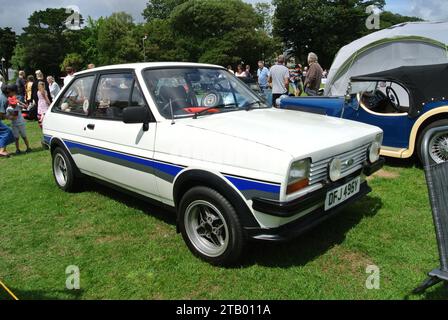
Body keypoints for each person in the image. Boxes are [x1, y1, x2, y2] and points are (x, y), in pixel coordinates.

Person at [5, 84, 31, 154]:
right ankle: (17, 149)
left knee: (24, 136)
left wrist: (19, 102)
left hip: (21, 123)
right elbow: (8, 117)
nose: (14, 105)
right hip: (14, 125)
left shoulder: (18, 106)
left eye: (14, 103)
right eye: (12, 103)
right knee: (16, 138)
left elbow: (25, 106)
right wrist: (11, 117)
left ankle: (28, 148)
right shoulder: (8, 109)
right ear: (10, 103)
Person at [0, 84, 15, 158]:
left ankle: (3, 150)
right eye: (13, 92)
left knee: (3, 133)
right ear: (8, 91)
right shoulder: (4, 99)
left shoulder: (2, 96)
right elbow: (1, 114)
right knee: (7, 131)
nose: (14, 94)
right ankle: (2, 151)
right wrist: (9, 117)